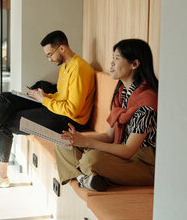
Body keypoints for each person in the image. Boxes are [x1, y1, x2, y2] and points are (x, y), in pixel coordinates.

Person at [0, 30, 95, 187]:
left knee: (4, 120)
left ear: (61, 48)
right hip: (57, 111)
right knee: (5, 98)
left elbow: (72, 110)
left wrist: (44, 100)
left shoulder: (80, 68)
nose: (49, 59)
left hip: (69, 122)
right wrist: (44, 96)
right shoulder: (66, 67)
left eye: (50, 54)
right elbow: (62, 97)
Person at [55, 39, 158, 191]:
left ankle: (87, 177)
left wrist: (87, 143)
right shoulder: (122, 93)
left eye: (116, 59)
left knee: (92, 160)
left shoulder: (147, 101)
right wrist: (77, 139)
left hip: (142, 164)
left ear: (134, 64)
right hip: (120, 154)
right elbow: (109, 136)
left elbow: (129, 150)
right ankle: (85, 179)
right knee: (62, 144)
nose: (111, 64)